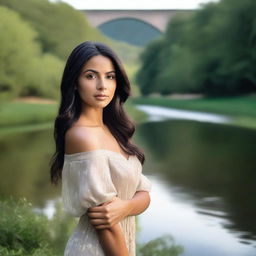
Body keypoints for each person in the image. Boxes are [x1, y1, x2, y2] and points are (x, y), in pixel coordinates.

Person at [50, 41, 152, 256]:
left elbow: (145, 194)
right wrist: (127, 206)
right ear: (75, 82)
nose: (102, 85)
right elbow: (105, 223)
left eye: (110, 76)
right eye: (90, 76)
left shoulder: (115, 131)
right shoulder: (80, 135)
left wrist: (124, 208)